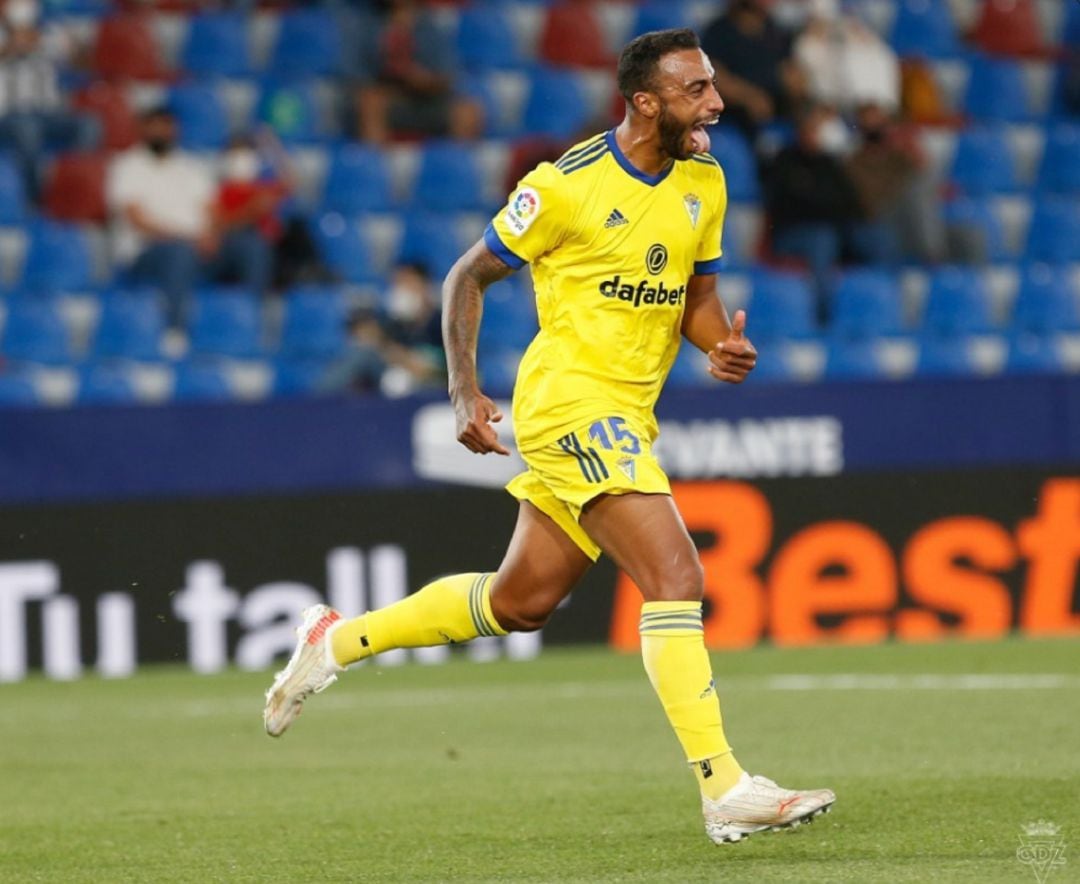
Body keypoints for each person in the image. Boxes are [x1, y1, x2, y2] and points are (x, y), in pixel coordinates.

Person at [265, 29, 835, 846]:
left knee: (520, 602)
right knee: (676, 574)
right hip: (571, 403)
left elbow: (694, 296)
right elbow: (468, 274)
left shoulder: (704, 180)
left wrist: (719, 344)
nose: (715, 102)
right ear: (644, 102)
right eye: (696, 89)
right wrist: (464, 387)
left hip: (631, 411)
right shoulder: (564, 185)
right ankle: (725, 788)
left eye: (712, 86)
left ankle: (336, 641)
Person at [106, 107, 273, 327]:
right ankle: (175, 331)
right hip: (148, 253)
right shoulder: (127, 166)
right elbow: (137, 220)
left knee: (252, 245)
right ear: (142, 129)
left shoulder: (192, 167)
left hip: (198, 249)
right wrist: (189, 239)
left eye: (165, 126)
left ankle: (252, 322)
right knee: (180, 253)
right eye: (154, 126)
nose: (160, 132)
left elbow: (214, 213)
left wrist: (214, 233)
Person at [765, 103, 893, 317]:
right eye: (814, 128)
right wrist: (826, 205)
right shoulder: (784, 161)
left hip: (835, 228)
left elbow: (850, 203)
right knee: (822, 240)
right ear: (802, 130)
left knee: (874, 237)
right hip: (793, 234)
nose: (818, 134)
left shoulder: (829, 164)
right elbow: (791, 205)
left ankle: (883, 309)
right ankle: (823, 315)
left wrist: (826, 206)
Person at [0, 0, 98, 199]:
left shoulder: (51, 36)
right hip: (11, 115)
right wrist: (13, 45)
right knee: (28, 131)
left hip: (50, 114)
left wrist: (79, 47)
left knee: (89, 125)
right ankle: (34, 197)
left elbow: (83, 67)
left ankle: (74, 189)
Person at [352, 0, 483, 144]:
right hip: (389, 96)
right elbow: (356, 75)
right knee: (370, 102)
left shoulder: (430, 25)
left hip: (427, 99)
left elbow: (447, 73)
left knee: (468, 111)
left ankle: (453, 163)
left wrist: (424, 80)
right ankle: (374, 163)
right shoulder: (367, 24)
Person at [700, 0, 806, 141]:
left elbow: (792, 73)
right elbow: (713, 76)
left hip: (777, 119)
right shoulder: (719, 31)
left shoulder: (775, 30)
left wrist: (796, 84)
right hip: (732, 124)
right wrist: (748, 97)